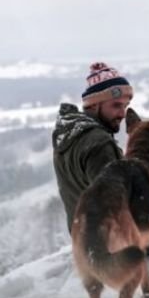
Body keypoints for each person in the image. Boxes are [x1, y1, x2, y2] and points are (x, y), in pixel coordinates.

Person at [52, 62, 133, 232]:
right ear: (94, 104)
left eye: (125, 106)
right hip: (113, 248)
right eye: (116, 105)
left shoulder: (70, 133)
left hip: (83, 241)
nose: (123, 114)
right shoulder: (99, 144)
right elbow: (116, 207)